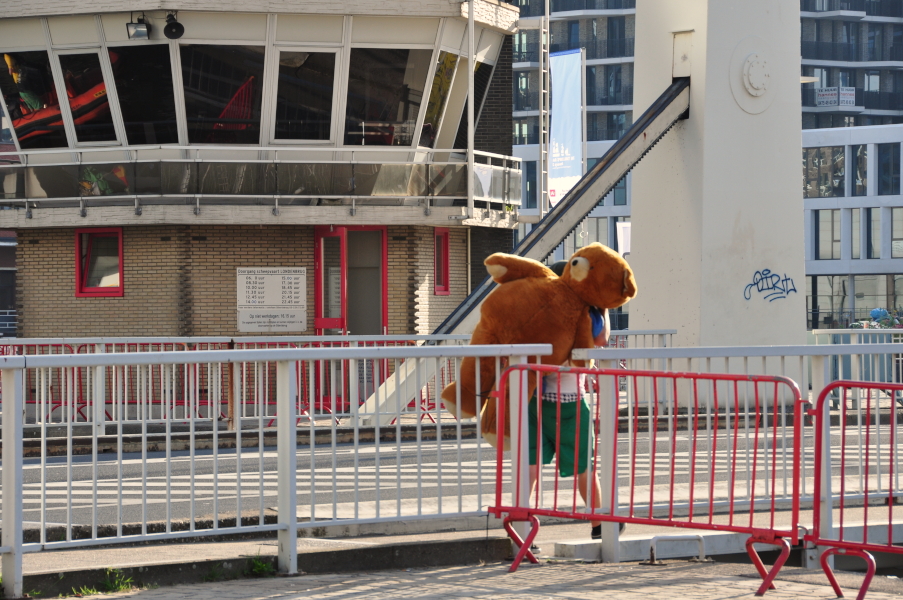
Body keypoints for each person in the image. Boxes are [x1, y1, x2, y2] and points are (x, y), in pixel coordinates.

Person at [528, 260, 612, 543]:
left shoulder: (539, 314)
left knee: (530, 465)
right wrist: (604, 305)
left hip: (536, 402)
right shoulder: (585, 315)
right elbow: (601, 339)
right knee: (584, 467)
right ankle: (599, 524)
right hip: (572, 402)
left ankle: (522, 525)